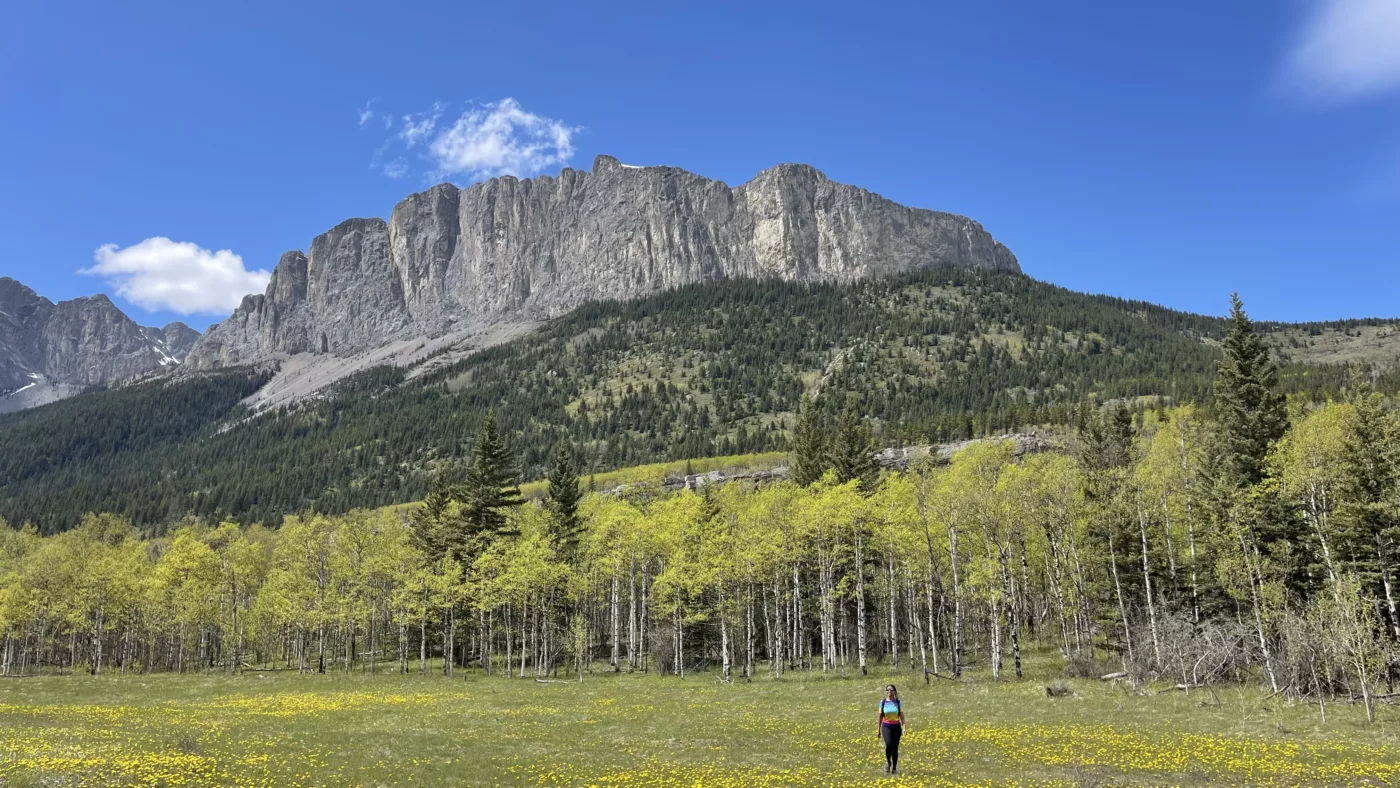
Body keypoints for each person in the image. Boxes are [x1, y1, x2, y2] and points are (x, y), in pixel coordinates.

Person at [877, 683, 906, 774]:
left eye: (891, 689)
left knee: (895, 748)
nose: (889, 691)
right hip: (886, 726)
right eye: (888, 689)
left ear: (894, 691)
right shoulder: (883, 702)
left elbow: (902, 717)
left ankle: (894, 768)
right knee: (889, 744)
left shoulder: (898, 702)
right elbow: (880, 717)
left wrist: (904, 727)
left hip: (896, 727)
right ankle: (889, 762)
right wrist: (878, 730)